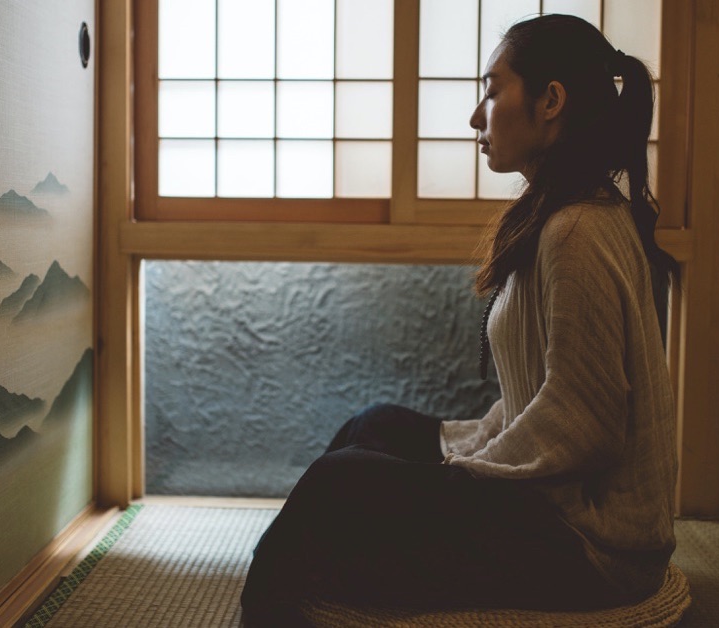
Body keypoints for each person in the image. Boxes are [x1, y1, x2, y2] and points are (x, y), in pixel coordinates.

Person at [240, 14, 679, 626]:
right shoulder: (560, 215)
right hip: (555, 508)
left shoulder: (578, 230)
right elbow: (539, 397)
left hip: (595, 546)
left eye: (494, 90)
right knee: (376, 426)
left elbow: (587, 421)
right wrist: (464, 450)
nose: (478, 115)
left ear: (551, 101)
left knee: (339, 486)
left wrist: (466, 473)